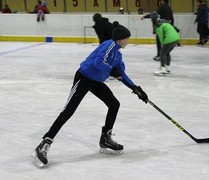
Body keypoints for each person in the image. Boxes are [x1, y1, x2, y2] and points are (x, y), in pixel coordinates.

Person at [32, 21, 149, 168]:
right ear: (120, 39)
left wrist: (137, 90)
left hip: (96, 82)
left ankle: (105, 138)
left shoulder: (118, 56)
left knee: (114, 104)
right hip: (84, 78)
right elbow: (98, 63)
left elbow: (122, 75)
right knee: (68, 111)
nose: (128, 41)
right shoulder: (109, 45)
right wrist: (111, 70)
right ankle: (44, 144)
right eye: (127, 38)